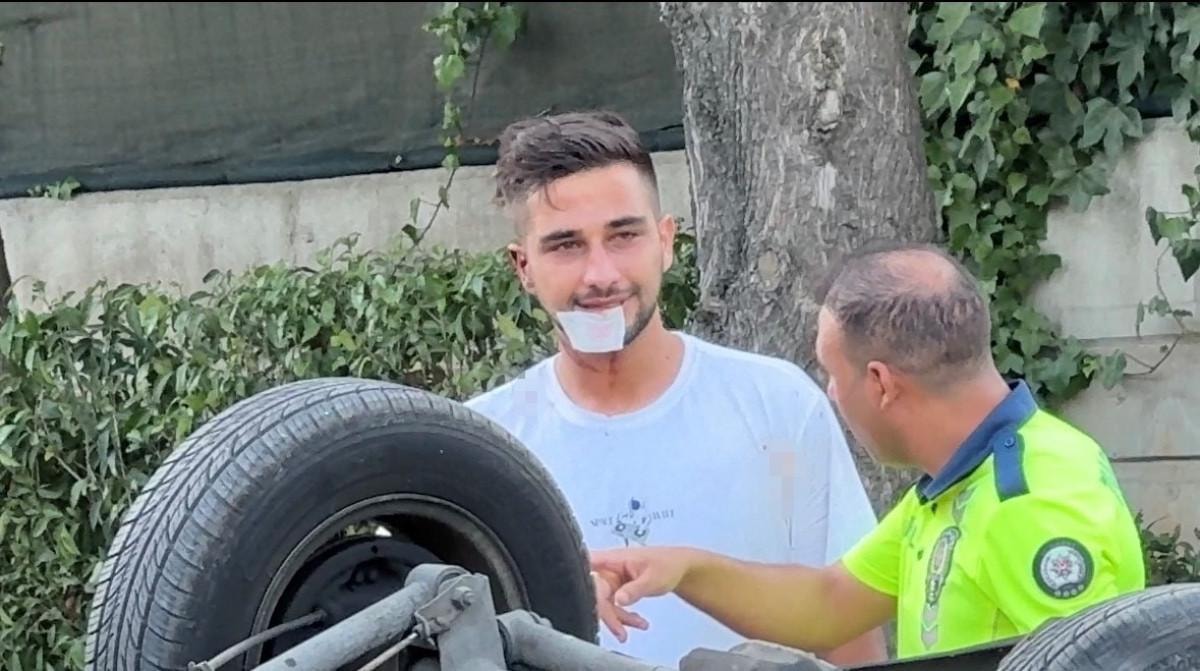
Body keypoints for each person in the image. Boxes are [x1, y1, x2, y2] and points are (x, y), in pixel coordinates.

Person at [462, 110, 886, 667]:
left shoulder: (777, 406)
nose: (600, 275)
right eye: (566, 245)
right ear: (523, 268)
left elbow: (851, 633)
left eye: (624, 236)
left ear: (665, 241)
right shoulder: (483, 446)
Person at [589, 241, 1147, 662]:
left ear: (880, 383)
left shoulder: (1027, 503)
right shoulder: (962, 481)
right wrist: (682, 568)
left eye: (832, 374)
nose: (831, 393)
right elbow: (830, 602)